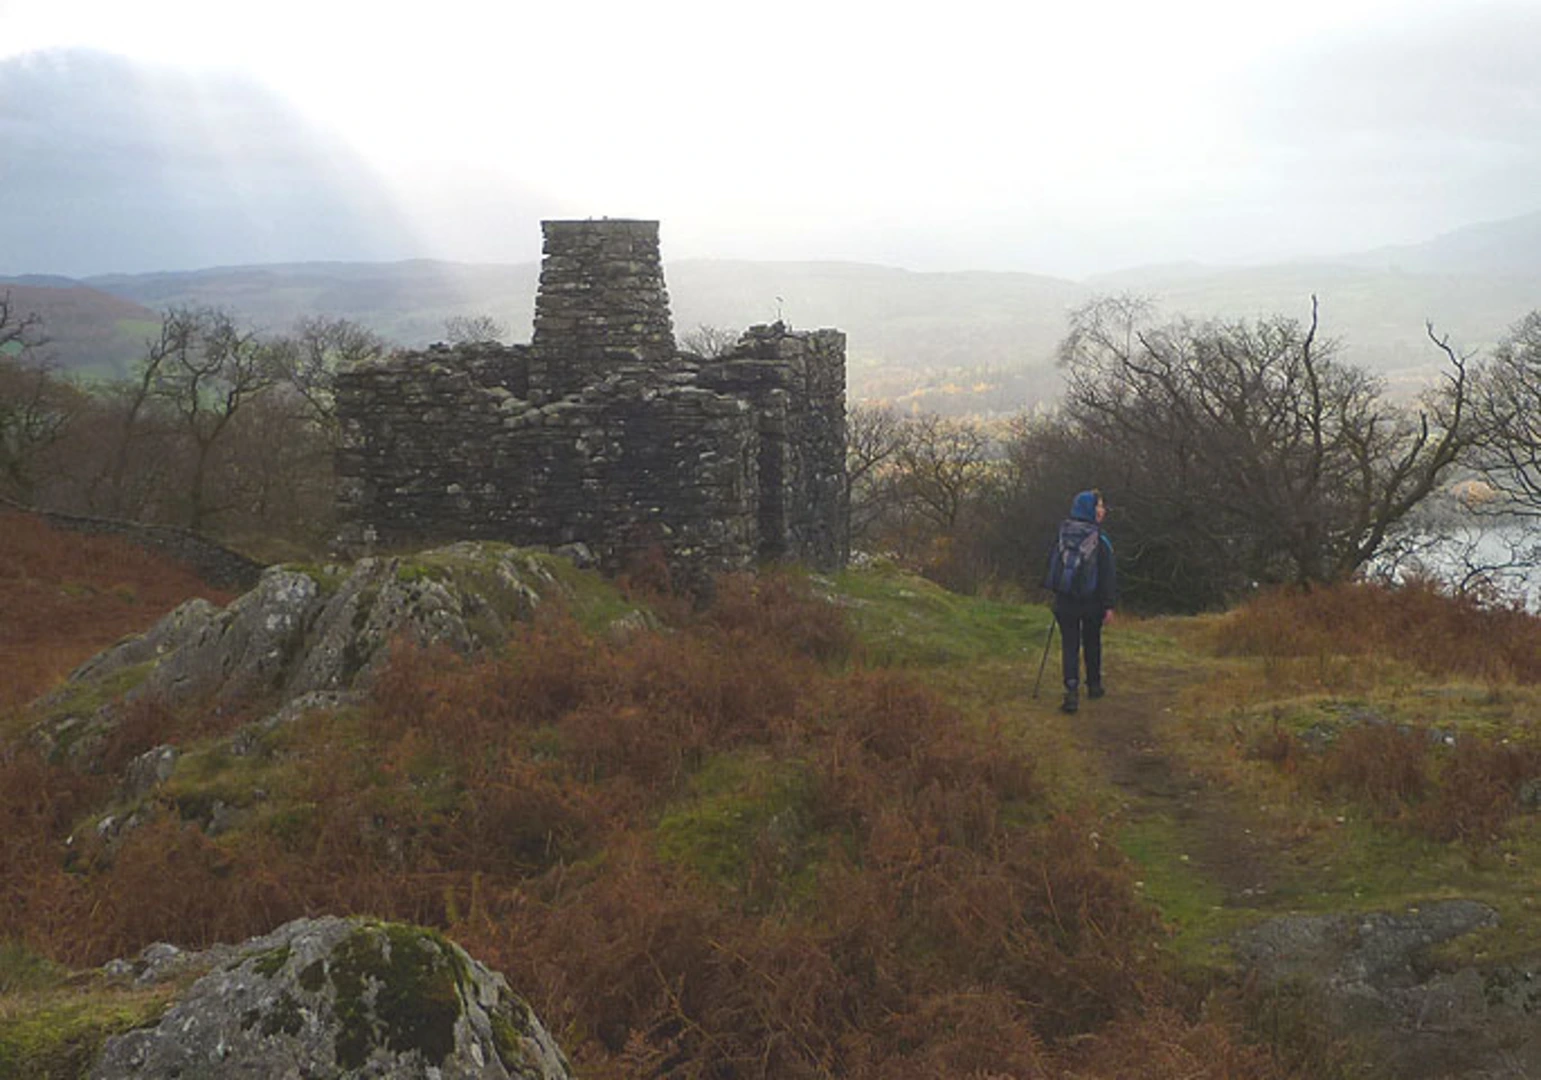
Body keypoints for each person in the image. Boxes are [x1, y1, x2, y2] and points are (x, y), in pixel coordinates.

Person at [1045, 489, 1117, 714]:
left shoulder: (1063, 534)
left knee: (1070, 644)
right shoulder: (1100, 540)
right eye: (1100, 506)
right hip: (1092, 602)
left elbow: (1052, 566)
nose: (1103, 510)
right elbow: (1108, 575)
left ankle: (1071, 690)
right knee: (1092, 641)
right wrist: (1109, 605)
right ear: (1091, 510)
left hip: (1065, 601)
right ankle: (1094, 686)